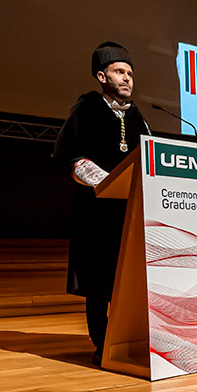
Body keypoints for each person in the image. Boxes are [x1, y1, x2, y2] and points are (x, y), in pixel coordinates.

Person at [53, 42, 151, 364]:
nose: (127, 79)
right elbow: (70, 156)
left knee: (129, 280)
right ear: (101, 75)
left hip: (130, 214)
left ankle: (131, 337)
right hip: (96, 213)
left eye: (130, 73)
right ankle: (103, 343)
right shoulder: (87, 108)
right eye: (119, 72)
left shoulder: (137, 116)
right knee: (99, 282)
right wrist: (104, 180)